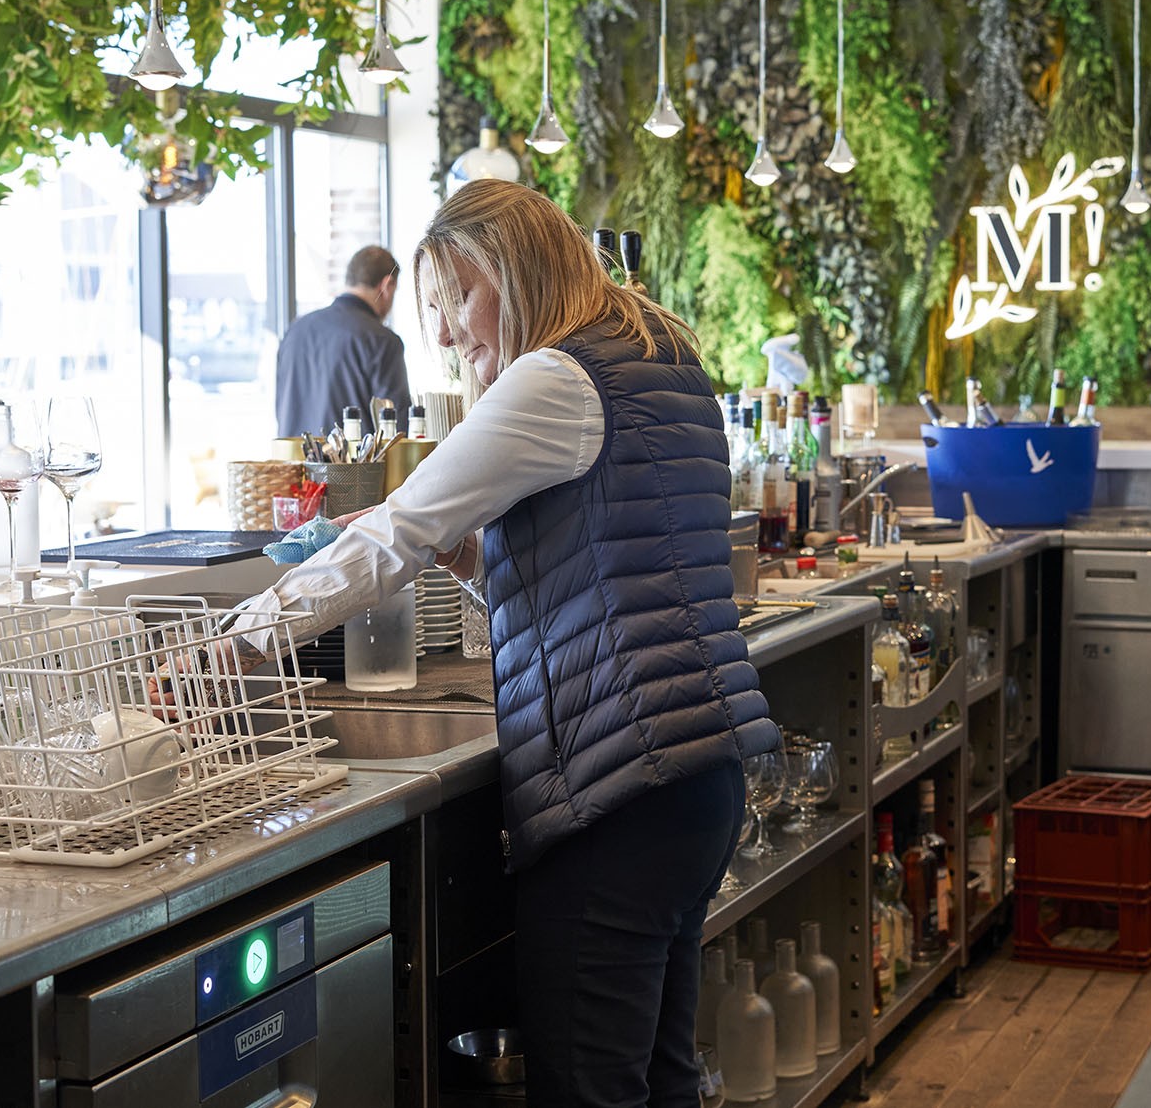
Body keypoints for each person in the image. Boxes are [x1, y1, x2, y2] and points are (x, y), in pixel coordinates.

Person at [236, 180, 780, 1106]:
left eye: (457, 300)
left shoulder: (555, 376)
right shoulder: (665, 356)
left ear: (515, 270)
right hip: (694, 774)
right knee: (659, 1078)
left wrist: (238, 642)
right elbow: (610, 564)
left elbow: (391, 531)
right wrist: (476, 559)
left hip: (617, 787)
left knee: (588, 1091)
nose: (445, 336)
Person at [273, 244, 414, 439]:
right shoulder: (382, 341)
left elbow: (282, 410)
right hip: (352, 470)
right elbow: (397, 430)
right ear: (387, 286)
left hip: (292, 466)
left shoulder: (295, 331)